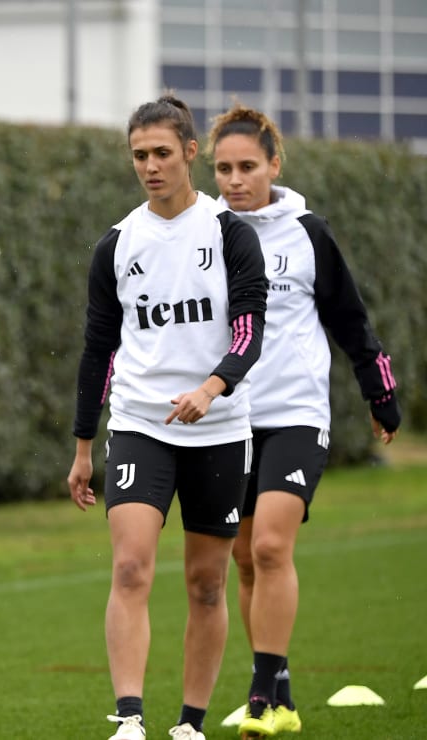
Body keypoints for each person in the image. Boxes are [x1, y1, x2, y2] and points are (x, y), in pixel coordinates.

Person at [66, 94, 268, 740]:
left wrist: (211, 389)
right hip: (140, 425)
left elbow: (247, 332)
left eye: (161, 153)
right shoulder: (118, 245)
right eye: (138, 155)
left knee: (207, 581)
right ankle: (129, 719)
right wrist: (81, 446)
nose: (149, 166)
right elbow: (98, 350)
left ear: (190, 152)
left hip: (217, 429)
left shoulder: (230, 234)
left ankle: (190, 724)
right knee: (130, 567)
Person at [206, 102, 401, 738]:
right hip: (228, 419)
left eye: (247, 167)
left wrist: (379, 392)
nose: (235, 181)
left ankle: (261, 700)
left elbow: (351, 319)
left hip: (295, 413)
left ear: (274, 165)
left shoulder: (306, 232)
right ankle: (280, 691)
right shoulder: (203, 233)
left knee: (270, 546)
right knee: (242, 558)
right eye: (223, 169)